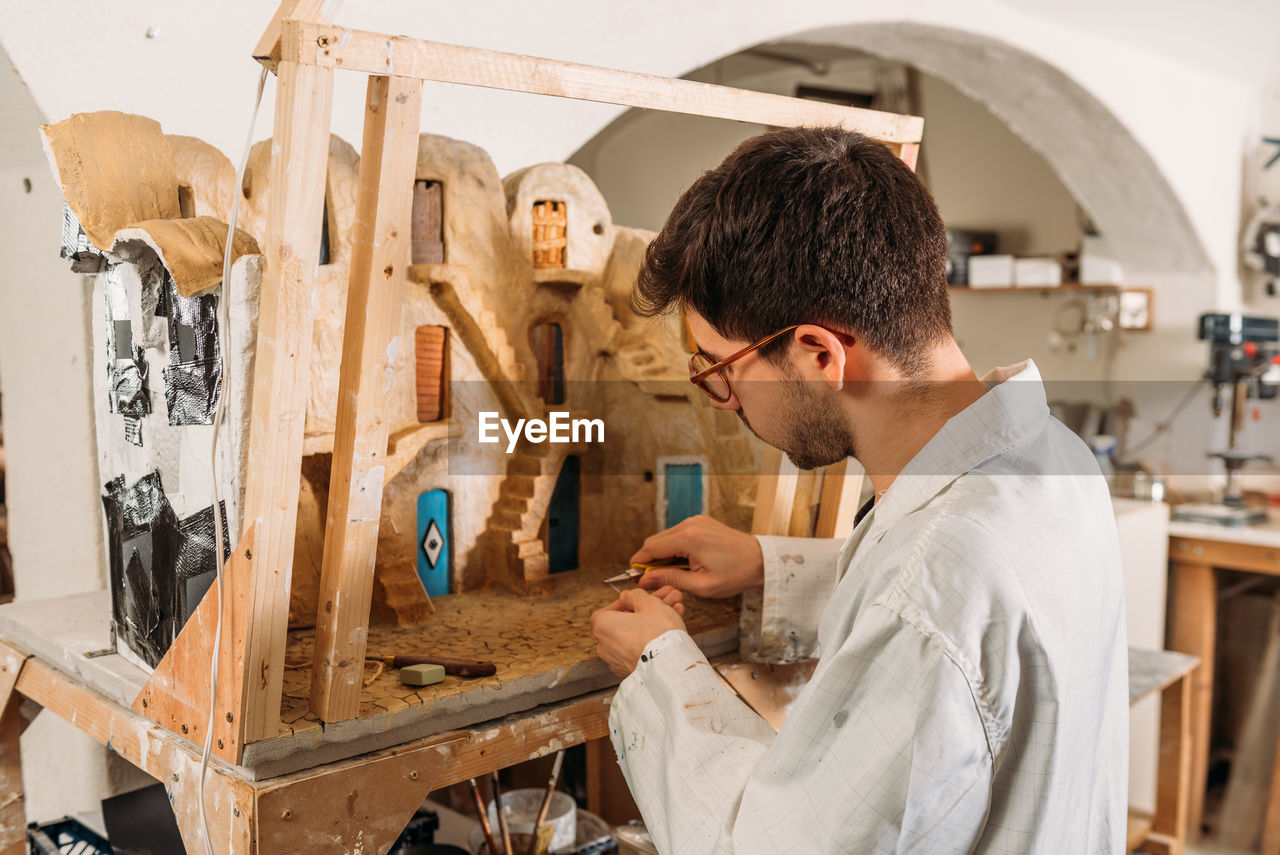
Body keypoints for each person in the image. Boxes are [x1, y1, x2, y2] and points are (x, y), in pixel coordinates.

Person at [589, 126, 1128, 854]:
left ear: (817, 354)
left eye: (721, 367)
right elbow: (968, 649)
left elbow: (766, 847)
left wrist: (661, 667)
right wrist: (767, 568)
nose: (723, 398)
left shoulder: (936, 584)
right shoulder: (1052, 459)